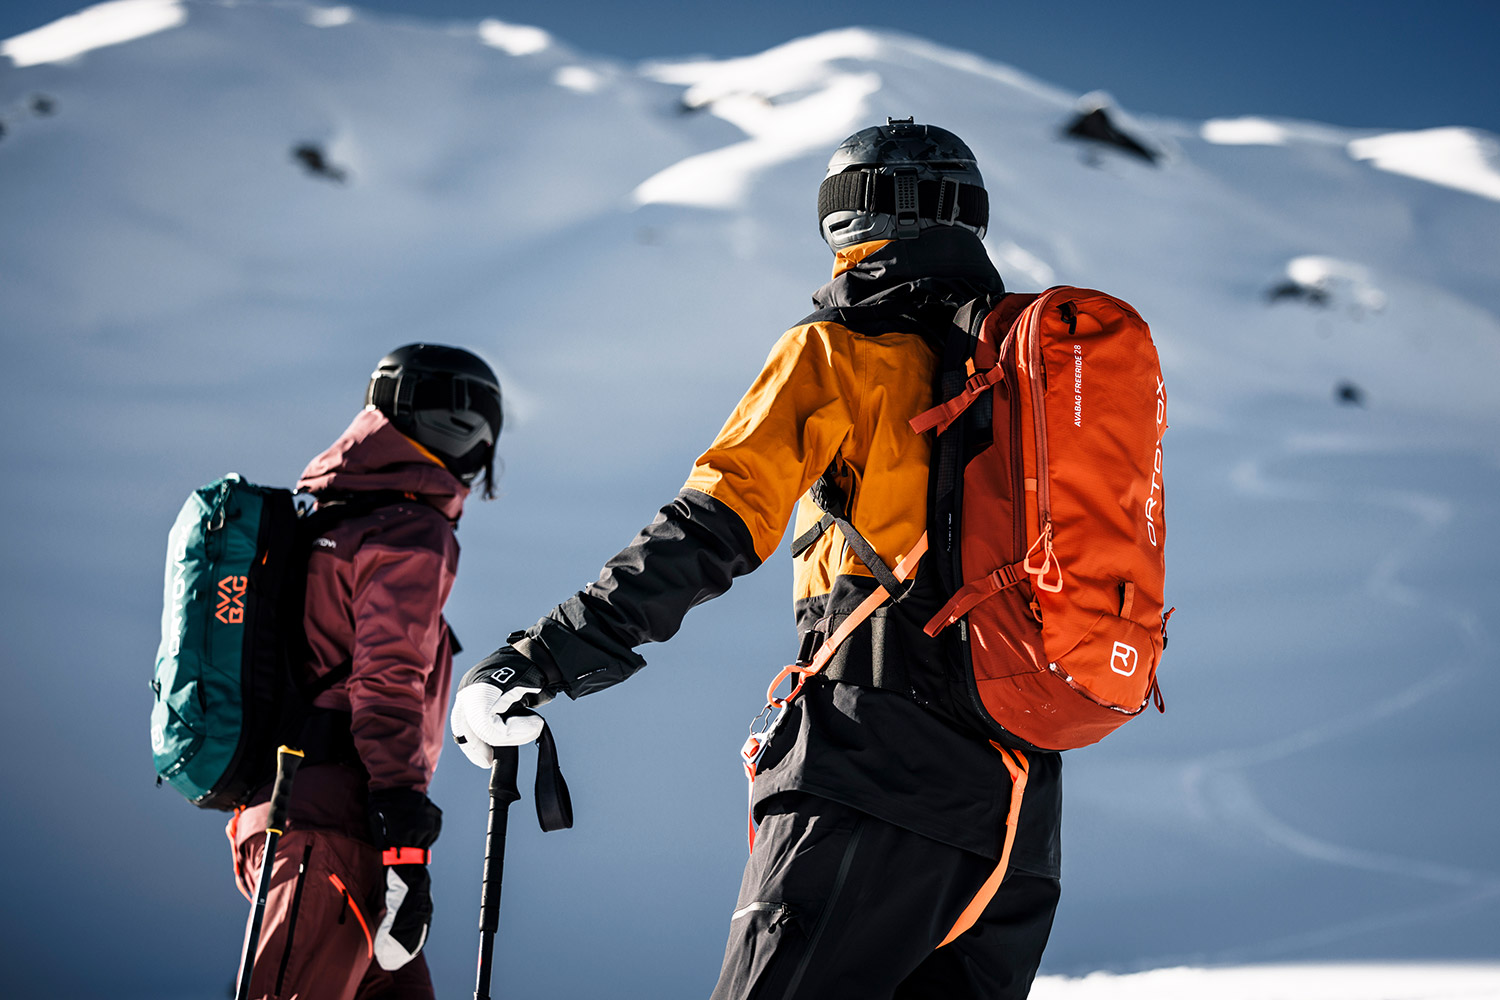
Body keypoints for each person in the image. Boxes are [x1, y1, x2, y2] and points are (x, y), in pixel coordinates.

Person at [450, 120, 1062, 999]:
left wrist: (540, 660)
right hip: (1022, 814)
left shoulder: (842, 350)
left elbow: (710, 528)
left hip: (875, 774)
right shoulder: (1034, 381)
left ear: (847, 220)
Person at [228, 344, 504, 1000]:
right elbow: (387, 682)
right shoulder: (408, 528)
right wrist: (405, 837)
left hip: (290, 816)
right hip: (335, 835)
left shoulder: (325, 511)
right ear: (464, 427)